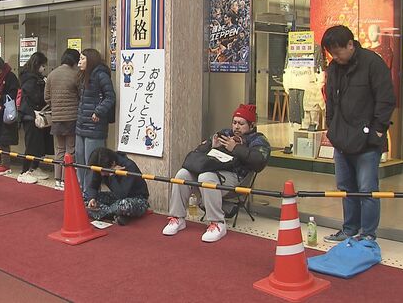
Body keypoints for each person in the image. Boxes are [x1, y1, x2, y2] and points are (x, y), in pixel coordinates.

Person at [321, 25, 395, 243]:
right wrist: (331, 128)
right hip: (341, 139)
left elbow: (386, 99)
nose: (335, 56)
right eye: (331, 53)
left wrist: (378, 132)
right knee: (346, 189)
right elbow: (331, 102)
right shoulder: (334, 68)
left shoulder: (373, 63)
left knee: (367, 190)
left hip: (367, 141)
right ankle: (349, 229)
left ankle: (368, 234)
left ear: (351, 45)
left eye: (338, 51)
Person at [163, 104, 270, 243]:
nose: (237, 127)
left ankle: (217, 223)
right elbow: (199, 151)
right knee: (182, 174)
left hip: (236, 177)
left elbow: (259, 161)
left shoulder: (258, 139)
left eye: (241, 123)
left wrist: (236, 148)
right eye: (234, 122)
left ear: (252, 125)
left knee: (206, 177)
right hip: (213, 168)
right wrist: (210, 146)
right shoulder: (225, 133)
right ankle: (177, 218)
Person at [75, 48, 115, 193]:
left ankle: (90, 194)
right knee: (80, 159)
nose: (79, 62)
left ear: (90, 60)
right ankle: (81, 191)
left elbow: (110, 97)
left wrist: (98, 111)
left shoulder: (101, 75)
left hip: (95, 126)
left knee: (91, 162)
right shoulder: (82, 75)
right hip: (81, 125)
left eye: (82, 59)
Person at [45, 49, 80, 191]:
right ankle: (67, 179)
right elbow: (81, 95)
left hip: (57, 117)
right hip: (72, 117)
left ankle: (58, 180)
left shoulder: (52, 74)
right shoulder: (76, 74)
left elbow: (46, 98)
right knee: (70, 150)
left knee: (59, 149)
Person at [84, 147, 149, 226]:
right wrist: (92, 199)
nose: (101, 174)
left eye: (104, 172)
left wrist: (112, 175)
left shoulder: (128, 166)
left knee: (124, 205)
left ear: (113, 164)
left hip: (136, 199)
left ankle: (104, 213)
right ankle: (117, 215)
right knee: (84, 197)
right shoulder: (101, 166)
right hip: (115, 198)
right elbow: (92, 187)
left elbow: (121, 194)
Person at [17, 52, 50, 184]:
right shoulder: (31, 79)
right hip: (30, 115)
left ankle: (34, 168)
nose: (44, 69)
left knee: (37, 144)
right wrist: (45, 86)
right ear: (37, 65)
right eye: (43, 66)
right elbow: (36, 97)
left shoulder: (31, 77)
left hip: (32, 114)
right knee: (31, 145)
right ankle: (24, 171)